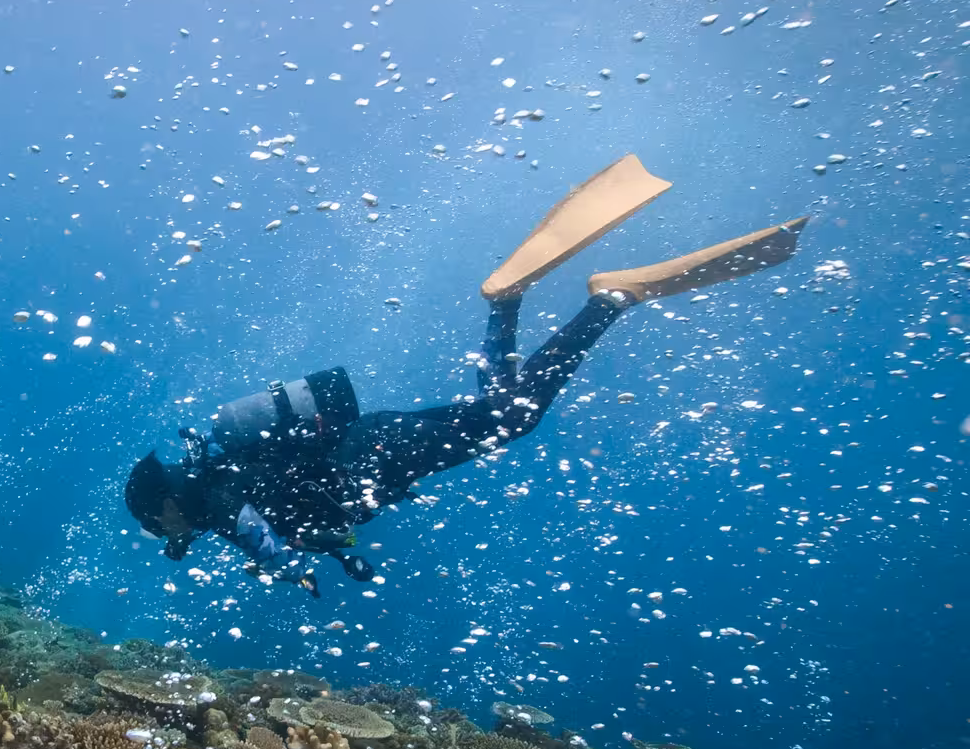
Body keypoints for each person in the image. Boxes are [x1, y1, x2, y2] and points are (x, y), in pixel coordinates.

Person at [123, 155, 807, 596]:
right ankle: (507, 304)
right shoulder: (220, 471)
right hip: (377, 441)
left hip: (378, 455)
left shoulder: (214, 495)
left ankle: (607, 300)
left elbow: (257, 534)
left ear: (164, 506)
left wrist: (283, 566)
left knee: (512, 419)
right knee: (502, 411)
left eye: (160, 527)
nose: (170, 537)